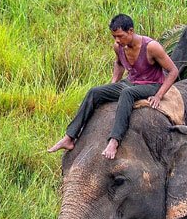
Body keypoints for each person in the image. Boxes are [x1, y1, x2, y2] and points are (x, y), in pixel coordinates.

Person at [47, 14, 179, 159]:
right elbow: (119, 63)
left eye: (120, 36)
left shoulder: (151, 47)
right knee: (94, 92)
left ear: (131, 31)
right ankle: (69, 137)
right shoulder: (119, 47)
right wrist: (114, 82)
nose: (117, 40)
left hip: (151, 84)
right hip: (130, 81)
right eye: (114, 36)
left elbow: (173, 71)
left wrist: (159, 95)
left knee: (127, 94)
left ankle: (114, 140)